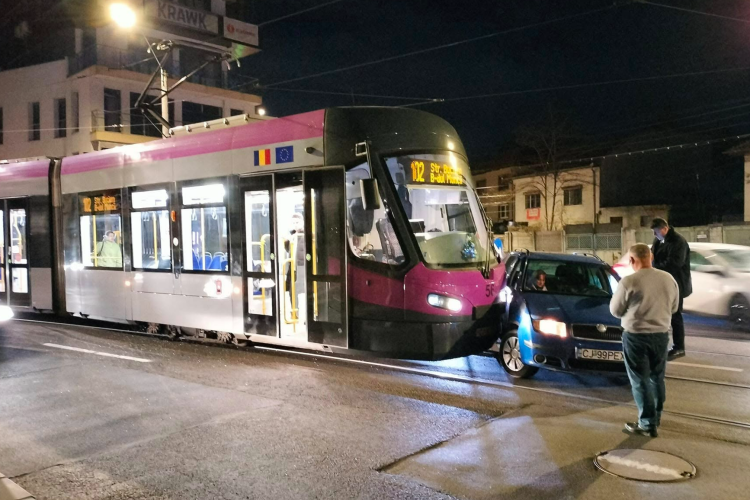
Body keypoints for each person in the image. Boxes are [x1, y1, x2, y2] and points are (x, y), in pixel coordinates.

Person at [610, 243, 678, 438]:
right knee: (657, 377)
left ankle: (647, 423)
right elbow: (674, 307)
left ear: (632, 260)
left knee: (639, 380)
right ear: (652, 256)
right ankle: (655, 418)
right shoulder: (668, 279)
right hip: (661, 335)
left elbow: (615, 311)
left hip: (635, 336)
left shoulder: (628, 282)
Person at [650, 218, 691, 360]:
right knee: (663, 314)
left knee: (675, 315)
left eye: (656, 232)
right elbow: (652, 256)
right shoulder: (659, 241)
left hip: (676, 284)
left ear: (664, 229)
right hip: (663, 283)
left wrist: (655, 267)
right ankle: (661, 344)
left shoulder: (678, 242)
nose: (655, 235)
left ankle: (679, 347)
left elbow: (675, 263)